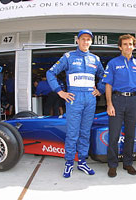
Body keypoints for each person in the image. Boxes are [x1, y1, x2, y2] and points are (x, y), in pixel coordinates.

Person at [46, 29, 105, 178]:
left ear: (91, 42)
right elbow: (50, 73)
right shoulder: (68, 57)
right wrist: (60, 91)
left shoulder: (95, 59)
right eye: (83, 39)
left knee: (85, 132)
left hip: (90, 99)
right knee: (73, 133)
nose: (86, 42)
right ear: (77, 41)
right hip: (74, 98)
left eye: (88, 39)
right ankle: (69, 162)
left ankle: (82, 162)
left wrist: (100, 90)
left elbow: (104, 76)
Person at [102, 34, 136, 178]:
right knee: (114, 135)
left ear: (134, 46)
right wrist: (109, 104)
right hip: (117, 100)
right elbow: (108, 85)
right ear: (120, 47)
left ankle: (128, 163)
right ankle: (113, 165)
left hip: (133, 102)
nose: (128, 47)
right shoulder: (113, 63)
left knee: (130, 135)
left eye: (130, 44)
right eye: (125, 44)